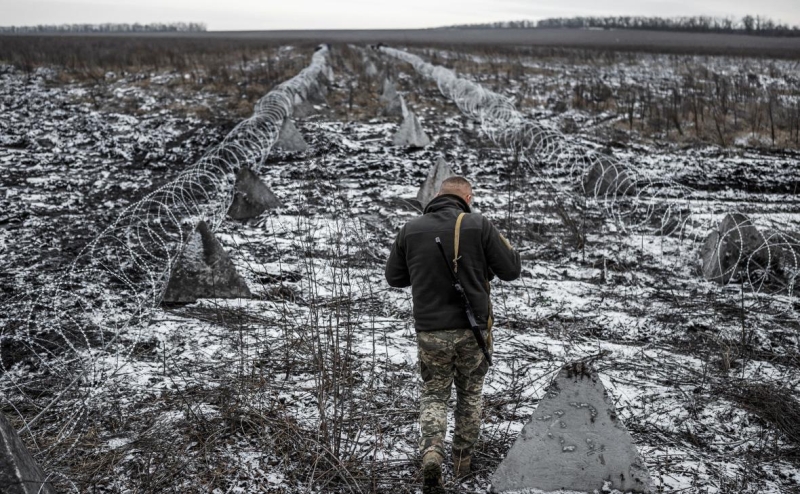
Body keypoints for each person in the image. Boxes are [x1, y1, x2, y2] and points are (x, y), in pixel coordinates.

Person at [385, 176, 521, 493]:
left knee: (435, 394)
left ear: (437, 196)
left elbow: (394, 277)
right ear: (467, 197)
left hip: (430, 329)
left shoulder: (411, 229)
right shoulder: (478, 225)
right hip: (473, 331)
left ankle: (432, 455)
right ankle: (462, 462)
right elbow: (511, 270)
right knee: (470, 395)